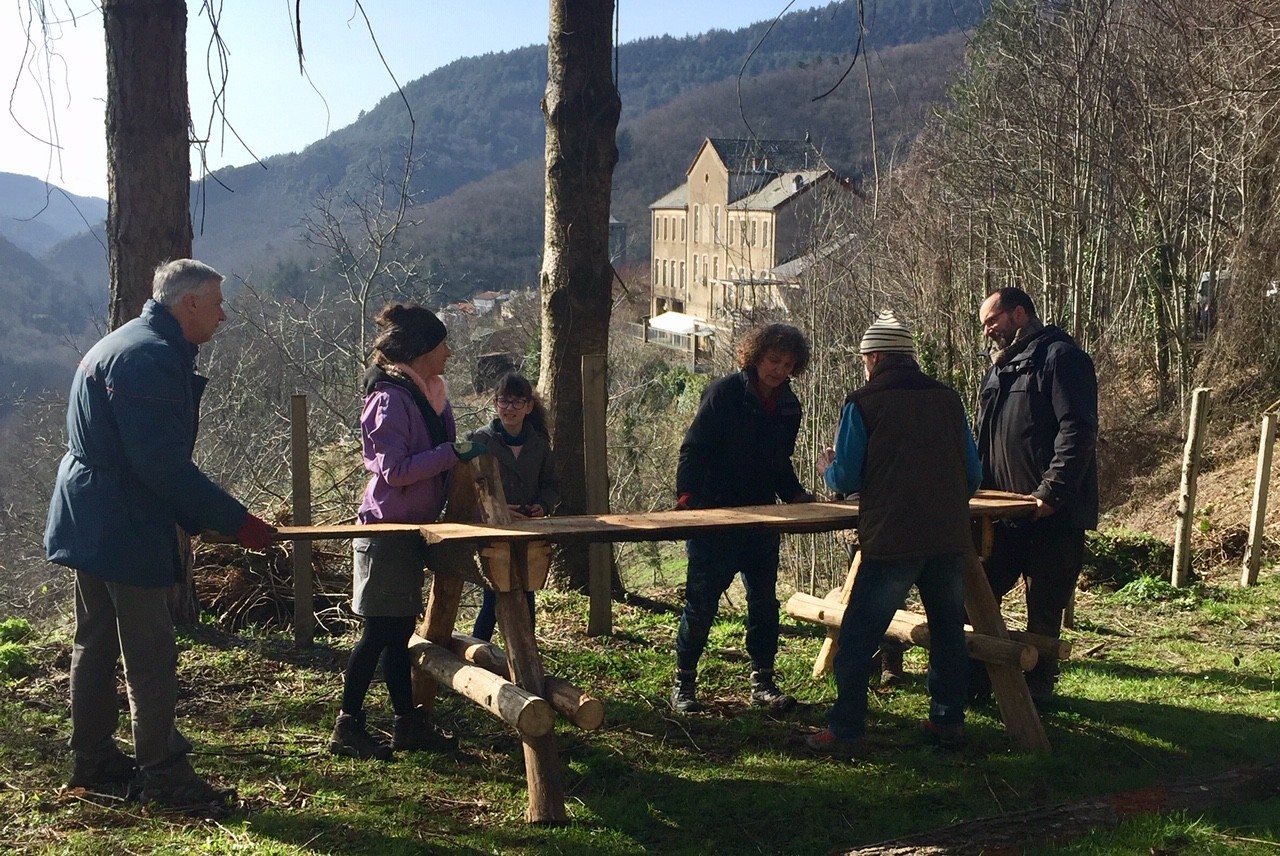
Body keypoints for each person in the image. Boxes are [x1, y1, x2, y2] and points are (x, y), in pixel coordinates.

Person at [45, 259, 276, 812]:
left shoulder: (127, 342)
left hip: (90, 511)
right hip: (121, 520)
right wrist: (236, 521)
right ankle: (165, 776)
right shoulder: (150, 358)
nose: (223, 315)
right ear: (188, 302)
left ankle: (95, 761)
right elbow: (161, 467)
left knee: (94, 641)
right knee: (148, 652)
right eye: (216, 303)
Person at [807, 310, 982, 756]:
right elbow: (973, 473)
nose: (864, 366)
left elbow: (846, 477)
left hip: (893, 538)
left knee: (859, 632)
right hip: (947, 535)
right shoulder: (949, 399)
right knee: (947, 632)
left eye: (866, 359)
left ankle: (845, 729)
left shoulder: (863, 402)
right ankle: (947, 720)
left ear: (877, 356)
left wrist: (829, 468)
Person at [330, 303, 486, 761]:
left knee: (397, 633)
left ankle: (407, 724)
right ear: (420, 351)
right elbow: (394, 470)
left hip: (410, 531)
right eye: (442, 345)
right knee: (379, 633)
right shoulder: (388, 399)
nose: (450, 353)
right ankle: (347, 726)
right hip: (384, 531)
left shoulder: (430, 394)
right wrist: (451, 453)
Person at [670, 323, 816, 714]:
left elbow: (778, 462)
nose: (779, 370)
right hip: (714, 516)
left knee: (764, 603)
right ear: (755, 356)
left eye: (787, 363)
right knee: (701, 606)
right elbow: (693, 449)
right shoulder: (724, 393)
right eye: (773, 360)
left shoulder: (790, 406)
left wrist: (796, 495)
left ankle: (763, 682)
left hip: (761, 518)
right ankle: (683, 683)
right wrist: (687, 499)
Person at [974, 286, 1098, 705]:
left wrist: (1051, 493)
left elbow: (1077, 431)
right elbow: (986, 442)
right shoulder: (1000, 369)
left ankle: (1037, 692)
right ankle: (979, 678)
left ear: (1019, 314)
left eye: (992, 321)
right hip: (1001, 514)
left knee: (1044, 606)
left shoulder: (1061, 358)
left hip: (1051, 513)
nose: (988, 331)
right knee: (979, 594)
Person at [466, 372, 560, 642]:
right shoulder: (480, 441)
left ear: (529, 406)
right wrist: (499, 508)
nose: (510, 409)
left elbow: (551, 485)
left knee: (527, 592)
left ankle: (527, 656)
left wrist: (542, 505)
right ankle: (479, 655)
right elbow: (466, 490)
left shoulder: (539, 444)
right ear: (495, 404)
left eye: (517, 402)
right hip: (492, 532)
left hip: (529, 532)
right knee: (493, 596)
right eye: (504, 402)